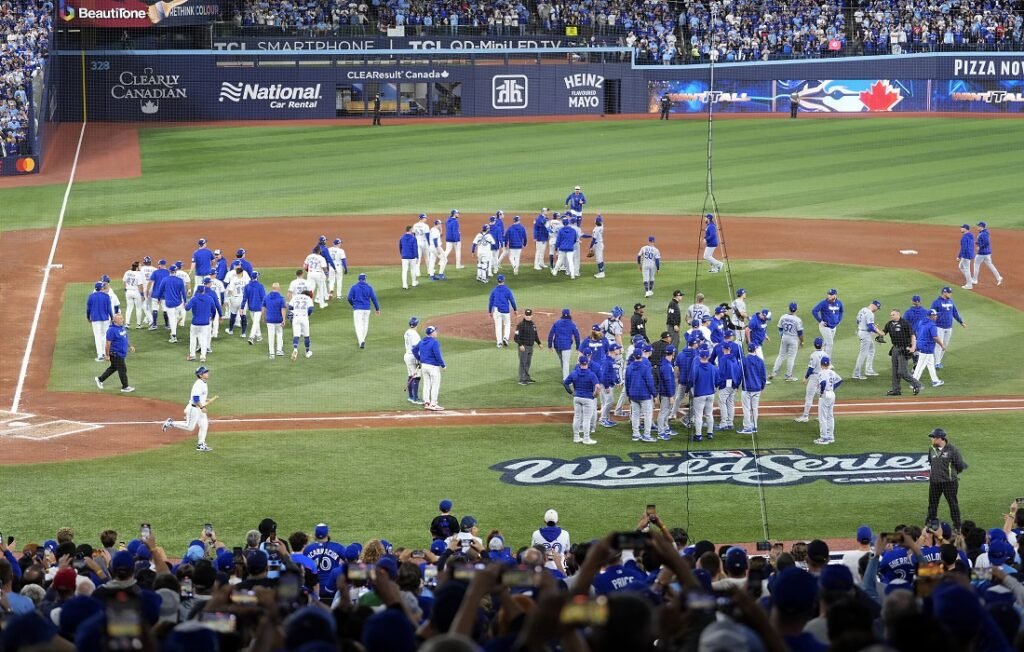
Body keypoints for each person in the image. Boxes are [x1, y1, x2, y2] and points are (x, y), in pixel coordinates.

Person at [162, 366, 218, 452]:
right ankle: (170, 423)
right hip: (194, 409)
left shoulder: (204, 383)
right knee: (190, 427)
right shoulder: (198, 384)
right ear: (200, 375)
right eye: (205, 372)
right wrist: (202, 407)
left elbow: (200, 397)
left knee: (204, 425)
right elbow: (195, 398)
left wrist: (205, 400)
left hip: (199, 408)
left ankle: (201, 444)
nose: (207, 373)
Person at [926, 428, 967, 529]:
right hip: (935, 482)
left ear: (940, 438)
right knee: (932, 504)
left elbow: (960, 465)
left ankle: (957, 525)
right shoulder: (931, 449)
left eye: (933, 437)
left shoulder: (953, 450)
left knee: (953, 505)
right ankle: (930, 523)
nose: (932, 440)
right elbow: (931, 462)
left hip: (949, 483)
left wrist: (951, 475)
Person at [880, 309, 921, 396]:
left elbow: (912, 335)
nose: (891, 316)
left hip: (904, 349)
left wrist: (913, 347)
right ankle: (896, 390)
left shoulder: (905, 323)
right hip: (895, 348)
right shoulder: (889, 324)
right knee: (895, 371)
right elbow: (883, 333)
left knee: (902, 371)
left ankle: (917, 384)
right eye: (891, 315)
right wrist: (876, 330)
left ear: (898, 315)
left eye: (893, 314)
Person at [563, 354, 600, 445]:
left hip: (577, 398)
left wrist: (571, 393)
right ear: (587, 362)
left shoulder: (574, 373)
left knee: (577, 417)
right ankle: (586, 439)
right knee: (587, 419)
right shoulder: (591, 374)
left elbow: (565, 383)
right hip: (588, 398)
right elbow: (598, 387)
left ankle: (576, 437)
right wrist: (595, 395)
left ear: (579, 363)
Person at [94, 313, 135, 393]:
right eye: (121, 319)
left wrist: (130, 346)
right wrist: (107, 355)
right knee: (122, 369)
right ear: (115, 321)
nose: (123, 320)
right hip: (115, 354)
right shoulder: (111, 330)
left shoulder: (122, 327)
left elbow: (125, 338)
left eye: (122, 318)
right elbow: (107, 344)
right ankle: (125, 387)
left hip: (121, 353)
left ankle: (100, 379)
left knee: (113, 368)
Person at [625, 345, 656, 442]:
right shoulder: (645, 367)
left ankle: (636, 434)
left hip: (633, 394)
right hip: (644, 395)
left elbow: (627, 382)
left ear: (633, 356)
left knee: (635, 415)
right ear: (641, 355)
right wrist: (654, 394)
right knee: (647, 415)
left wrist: (628, 394)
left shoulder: (629, 368)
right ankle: (647, 435)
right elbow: (649, 382)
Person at [930, 286, 966, 369]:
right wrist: (932, 325)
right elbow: (931, 314)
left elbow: (955, 313)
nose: (950, 294)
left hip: (949, 327)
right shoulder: (936, 302)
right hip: (939, 327)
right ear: (944, 292)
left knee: (944, 345)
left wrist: (961, 322)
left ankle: (938, 361)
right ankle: (937, 363)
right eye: (949, 292)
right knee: (939, 344)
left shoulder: (951, 301)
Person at [689, 345, 719, 441]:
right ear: (709, 357)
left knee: (698, 415)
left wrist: (688, 390)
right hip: (710, 394)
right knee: (709, 414)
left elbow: (691, 380)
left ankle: (698, 435)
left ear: (700, 356)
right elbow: (718, 380)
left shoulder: (696, 368)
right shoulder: (714, 368)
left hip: (699, 394)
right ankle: (710, 433)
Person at [795, 337, 826, 423]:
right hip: (823, 377)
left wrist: (806, 377)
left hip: (814, 378)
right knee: (821, 397)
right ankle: (821, 416)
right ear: (822, 345)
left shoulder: (813, 355)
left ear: (814, 345)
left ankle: (805, 416)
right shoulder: (826, 355)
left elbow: (810, 369)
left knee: (809, 397)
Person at [414, 326, 445, 411]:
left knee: (426, 384)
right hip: (433, 367)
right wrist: (443, 365)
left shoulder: (422, 341)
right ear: (432, 333)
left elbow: (414, 350)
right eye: (435, 331)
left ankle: (426, 402)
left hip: (424, 367)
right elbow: (437, 355)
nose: (436, 332)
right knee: (435, 385)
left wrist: (420, 358)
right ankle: (433, 404)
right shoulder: (434, 343)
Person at [184, 286, 218, 363]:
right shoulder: (209, 298)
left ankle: (192, 355)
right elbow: (214, 309)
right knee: (204, 339)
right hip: (205, 323)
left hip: (195, 323)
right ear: (204, 291)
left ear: (197, 291)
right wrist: (212, 317)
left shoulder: (194, 298)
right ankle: (203, 356)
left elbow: (187, 308)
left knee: (193, 339)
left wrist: (185, 304)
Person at [771, 302, 803, 382]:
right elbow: (800, 333)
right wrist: (802, 341)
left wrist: (782, 337)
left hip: (784, 337)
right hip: (793, 339)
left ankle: (774, 372)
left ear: (789, 308)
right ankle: (788, 375)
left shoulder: (783, 317)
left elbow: (780, 329)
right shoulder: (798, 320)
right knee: (791, 357)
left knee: (781, 356)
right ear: (796, 309)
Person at [347, 273, 380, 349]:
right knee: (365, 324)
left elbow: (349, 298)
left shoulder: (354, 287)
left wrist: (353, 304)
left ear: (358, 279)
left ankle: (361, 341)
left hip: (357, 309)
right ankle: (362, 339)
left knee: (358, 326)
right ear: (365, 279)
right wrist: (377, 309)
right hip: (367, 309)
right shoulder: (369, 287)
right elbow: (374, 299)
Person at [913, 309, 945, 387]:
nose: (936, 316)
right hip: (927, 347)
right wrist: (942, 345)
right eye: (935, 315)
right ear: (931, 316)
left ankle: (935, 381)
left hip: (921, 344)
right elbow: (935, 337)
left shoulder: (921, 322)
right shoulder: (932, 325)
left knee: (930, 364)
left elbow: (917, 332)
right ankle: (913, 383)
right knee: (920, 366)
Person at [740, 343, 767, 434]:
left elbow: (740, 374)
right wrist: (762, 386)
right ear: (755, 350)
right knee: (754, 408)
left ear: (748, 349)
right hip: (757, 388)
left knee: (747, 408)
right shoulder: (760, 361)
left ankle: (747, 427)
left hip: (747, 388)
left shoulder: (744, 360)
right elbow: (763, 376)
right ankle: (754, 426)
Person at [548, 308, 581, 380]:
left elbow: (551, 334)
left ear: (562, 314)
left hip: (557, 346)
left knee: (562, 360)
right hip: (566, 346)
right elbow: (577, 336)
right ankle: (566, 379)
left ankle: (565, 375)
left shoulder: (557, 323)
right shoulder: (572, 324)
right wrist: (578, 347)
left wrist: (550, 345)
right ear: (569, 314)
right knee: (566, 362)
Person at [815, 357, 842, 445]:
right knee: (830, 416)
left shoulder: (821, 373)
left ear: (821, 364)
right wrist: (832, 388)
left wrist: (822, 392)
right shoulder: (832, 372)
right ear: (828, 364)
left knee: (822, 417)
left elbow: (822, 383)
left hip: (825, 395)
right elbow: (840, 380)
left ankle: (824, 438)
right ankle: (830, 436)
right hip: (831, 394)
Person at [852, 300, 882, 379]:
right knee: (863, 354)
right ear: (874, 305)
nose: (876, 310)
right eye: (877, 308)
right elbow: (870, 327)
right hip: (865, 335)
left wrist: (863, 327)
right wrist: (878, 332)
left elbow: (857, 321)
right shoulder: (870, 313)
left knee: (871, 350)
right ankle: (856, 374)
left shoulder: (862, 310)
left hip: (862, 332)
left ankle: (868, 370)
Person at [811, 288, 843, 358]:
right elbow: (814, 311)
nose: (829, 296)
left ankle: (818, 356)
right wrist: (820, 321)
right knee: (830, 344)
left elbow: (841, 311)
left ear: (835, 295)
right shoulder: (824, 303)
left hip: (833, 327)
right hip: (825, 327)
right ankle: (827, 362)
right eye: (829, 294)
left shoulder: (839, 303)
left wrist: (839, 319)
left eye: (831, 295)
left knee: (826, 343)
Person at [86, 281, 114, 362]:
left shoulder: (91, 296)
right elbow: (109, 309)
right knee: (105, 336)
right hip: (105, 319)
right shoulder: (106, 296)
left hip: (95, 320)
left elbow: (88, 309)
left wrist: (88, 317)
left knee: (97, 336)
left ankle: (100, 355)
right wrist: (112, 318)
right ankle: (106, 354)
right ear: (102, 288)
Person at [514, 308, 542, 385]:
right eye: (527, 315)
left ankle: (526, 377)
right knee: (523, 362)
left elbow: (535, 335)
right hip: (524, 347)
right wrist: (520, 345)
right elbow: (516, 337)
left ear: (531, 316)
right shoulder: (520, 325)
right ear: (524, 315)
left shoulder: (533, 324)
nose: (528, 317)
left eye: (529, 315)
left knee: (527, 363)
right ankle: (521, 379)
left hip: (530, 347)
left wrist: (539, 343)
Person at [488, 275, 517, 348]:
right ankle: (506, 338)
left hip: (497, 311)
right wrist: (515, 309)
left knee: (498, 326)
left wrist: (489, 311)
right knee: (507, 324)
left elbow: (491, 301)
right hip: (505, 311)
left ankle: (499, 343)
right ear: (504, 280)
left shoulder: (494, 290)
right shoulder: (507, 290)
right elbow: (512, 300)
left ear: (497, 281)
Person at [655, 345, 676, 440]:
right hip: (666, 393)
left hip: (666, 392)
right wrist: (671, 396)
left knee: (666, 412)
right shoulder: (667, 366)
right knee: (663, 412)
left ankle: (665, 428)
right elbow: (668, 381)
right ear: (673, 353)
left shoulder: (665, 363)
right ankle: (661, 432)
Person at [971, 221, 1002, 286]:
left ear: (981, 227)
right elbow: (983, 242)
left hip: (982, 253)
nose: (977, 227)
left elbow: (986, 243)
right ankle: (999, 277)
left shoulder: (983, 234)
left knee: (976, 265)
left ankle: (974, 280)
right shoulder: (984, 233)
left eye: (978, 226)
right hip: (987, 253)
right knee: (990, 265)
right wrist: (976, 242)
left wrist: (980, 247)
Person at [288, 287, 315, 360]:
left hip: (296, 317)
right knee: (306, 336)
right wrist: (308, 314)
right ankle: (307, 352)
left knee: (296, 335)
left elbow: (290, 307)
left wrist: (295, 311)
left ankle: (295, 349)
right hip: (304, 318)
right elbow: (311, 309)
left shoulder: (295, 297)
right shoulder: (308, 298)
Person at [242, 271, 267, 344]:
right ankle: (251, 337)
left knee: (255, 322)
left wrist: (242, 307)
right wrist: (265, 307)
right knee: (255, 323)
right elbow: (263, 297)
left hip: (251, 307)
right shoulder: (260, 286)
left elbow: (244, 298)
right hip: (259, 307)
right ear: (257, 277)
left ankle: (259, 336)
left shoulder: (247, 286)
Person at [263, 282, 287, 359]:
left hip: (269, 319)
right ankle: (279, 351)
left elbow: (263, 309)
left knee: (271, 335)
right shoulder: (281, 298)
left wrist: (264, 318)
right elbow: (283, 310)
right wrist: (284, 319)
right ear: (278, 288)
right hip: (278, 319)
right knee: (279, 334)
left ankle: (271, 353)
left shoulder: (266, 297)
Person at [121, 261, 146, 329]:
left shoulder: (127, 272)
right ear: (137, 267)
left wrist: (125, 290)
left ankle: (127, 324)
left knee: (129, 308)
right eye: (140, 266)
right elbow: (140, 285)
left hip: (128, 292)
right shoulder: (138, 274)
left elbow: (124, 281)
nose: (141, 267)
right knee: (138, 308)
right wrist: (142, 294)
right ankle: (138, 324)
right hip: (136, 292)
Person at [404, 317, 423, 404]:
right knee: (417, 377)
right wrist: (418, 360)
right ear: (416, 324)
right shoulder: (415, 334)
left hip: (407, 355)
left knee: (411, 376)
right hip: (413, 357)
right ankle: (415, 398)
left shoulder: (407, 332)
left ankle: (411, 397)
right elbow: (415, 349)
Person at [399, 225, 420, 290]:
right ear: (410, 230)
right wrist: (416, 256)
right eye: (412, 229)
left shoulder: (402, 238)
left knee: (404, 271)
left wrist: (402, 254)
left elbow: (400, 247)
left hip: (404, 256)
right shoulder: (413, 238)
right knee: (413, 269)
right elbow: (415, 248)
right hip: (412, 256)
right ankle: (413, 282)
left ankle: (404, 284)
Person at [956, 223, 975, 289]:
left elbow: (963, 248)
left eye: (962, 228)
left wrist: (959, 256)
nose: (961, 229)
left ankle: (969, 285)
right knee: (960, 266)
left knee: (967, 270)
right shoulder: (971, 236)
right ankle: (970, 280)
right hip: (970, 253)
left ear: (965, 229)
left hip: (966, 255)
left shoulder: (964, 237)